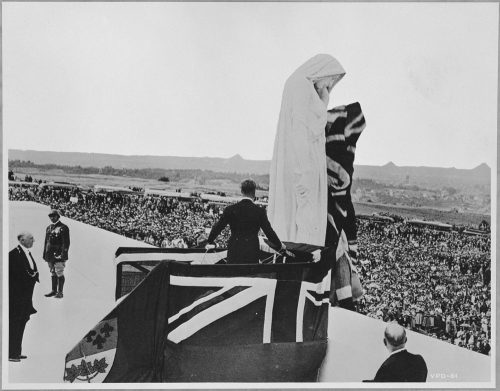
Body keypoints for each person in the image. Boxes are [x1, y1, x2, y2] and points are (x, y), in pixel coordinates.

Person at [268, 53, 346, 246]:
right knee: (305, 212)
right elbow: (303, 128)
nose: (330, 85)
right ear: (323, 71)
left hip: (302, 158)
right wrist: (304, 169)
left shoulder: (298, 84)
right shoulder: (301, 86)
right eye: (331, 80)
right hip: (304, 161)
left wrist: (322, 101)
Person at [206, 179, 289, 264]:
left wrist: (210, 241)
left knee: (233, 276)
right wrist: (280, 245)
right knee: (250, 276)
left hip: (234, 249)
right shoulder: (259, 211)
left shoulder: (230, 209)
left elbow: (218, 227)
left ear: (242, 191)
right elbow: (269, 232)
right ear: (254, 192)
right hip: (251, 250)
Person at [9, 232, 39, 362]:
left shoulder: (26, 252)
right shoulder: (14, 254)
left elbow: (31, 271)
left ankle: (16, 351)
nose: (34, 240)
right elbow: (13, 277)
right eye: (31, 238)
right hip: (17, 298)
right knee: (15, 324)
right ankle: (12, 353)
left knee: (21, 323)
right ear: (22, 240)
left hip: (25, 297)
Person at [43, 209, 70, 298]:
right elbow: (46, 242)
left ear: (58, 216)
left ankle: (60, 292)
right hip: (50, 254)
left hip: (58, 254)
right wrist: (45, 254)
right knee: (53, 272)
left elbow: (66, 243)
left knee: (59, 272)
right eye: (50, 216)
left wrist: (63, 254)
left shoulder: (63, 227)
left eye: (54, 216)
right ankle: (54, 291)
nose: (52, 218)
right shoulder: (49, 228)